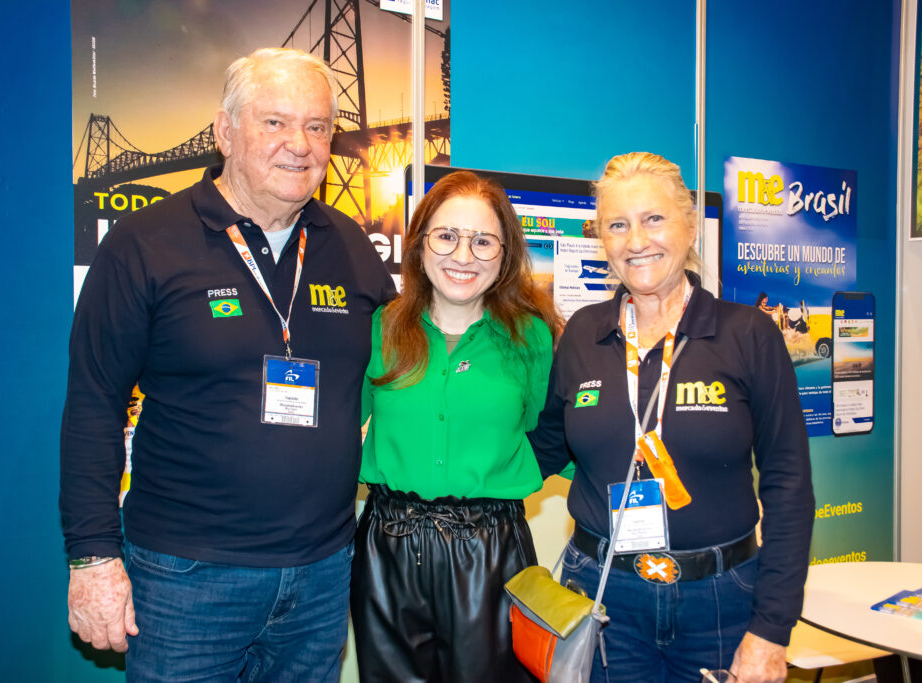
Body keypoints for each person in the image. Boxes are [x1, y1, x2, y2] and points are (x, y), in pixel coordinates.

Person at [60, 47, 395, 681]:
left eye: (318, 126)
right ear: (224, 131)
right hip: (187, 578)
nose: (300, 144)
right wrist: (93, 559)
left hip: (322, 575)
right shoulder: (146, 242)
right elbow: (93, 405)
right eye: (274, 122)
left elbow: (419, 355)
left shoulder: (350, 244)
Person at [530, 152, 814, 683]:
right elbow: (545, 447)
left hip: (721, 601)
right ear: (602, 239)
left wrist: (772, 630)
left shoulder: (747, 335)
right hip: (602, 593)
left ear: (688, 224)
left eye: (653, 219)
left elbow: (789, 484)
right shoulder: (583, 336)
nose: (635, 241)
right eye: (617, 225)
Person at [352, 170, 562, 682]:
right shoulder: (378, 329)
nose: (463, 257)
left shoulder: (532, 337)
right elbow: (336, 429)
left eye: (483, 240)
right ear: (420, 243)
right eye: (447, 236)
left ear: (505, 252)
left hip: (491, 549)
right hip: (388, 547)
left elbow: (545, 434)